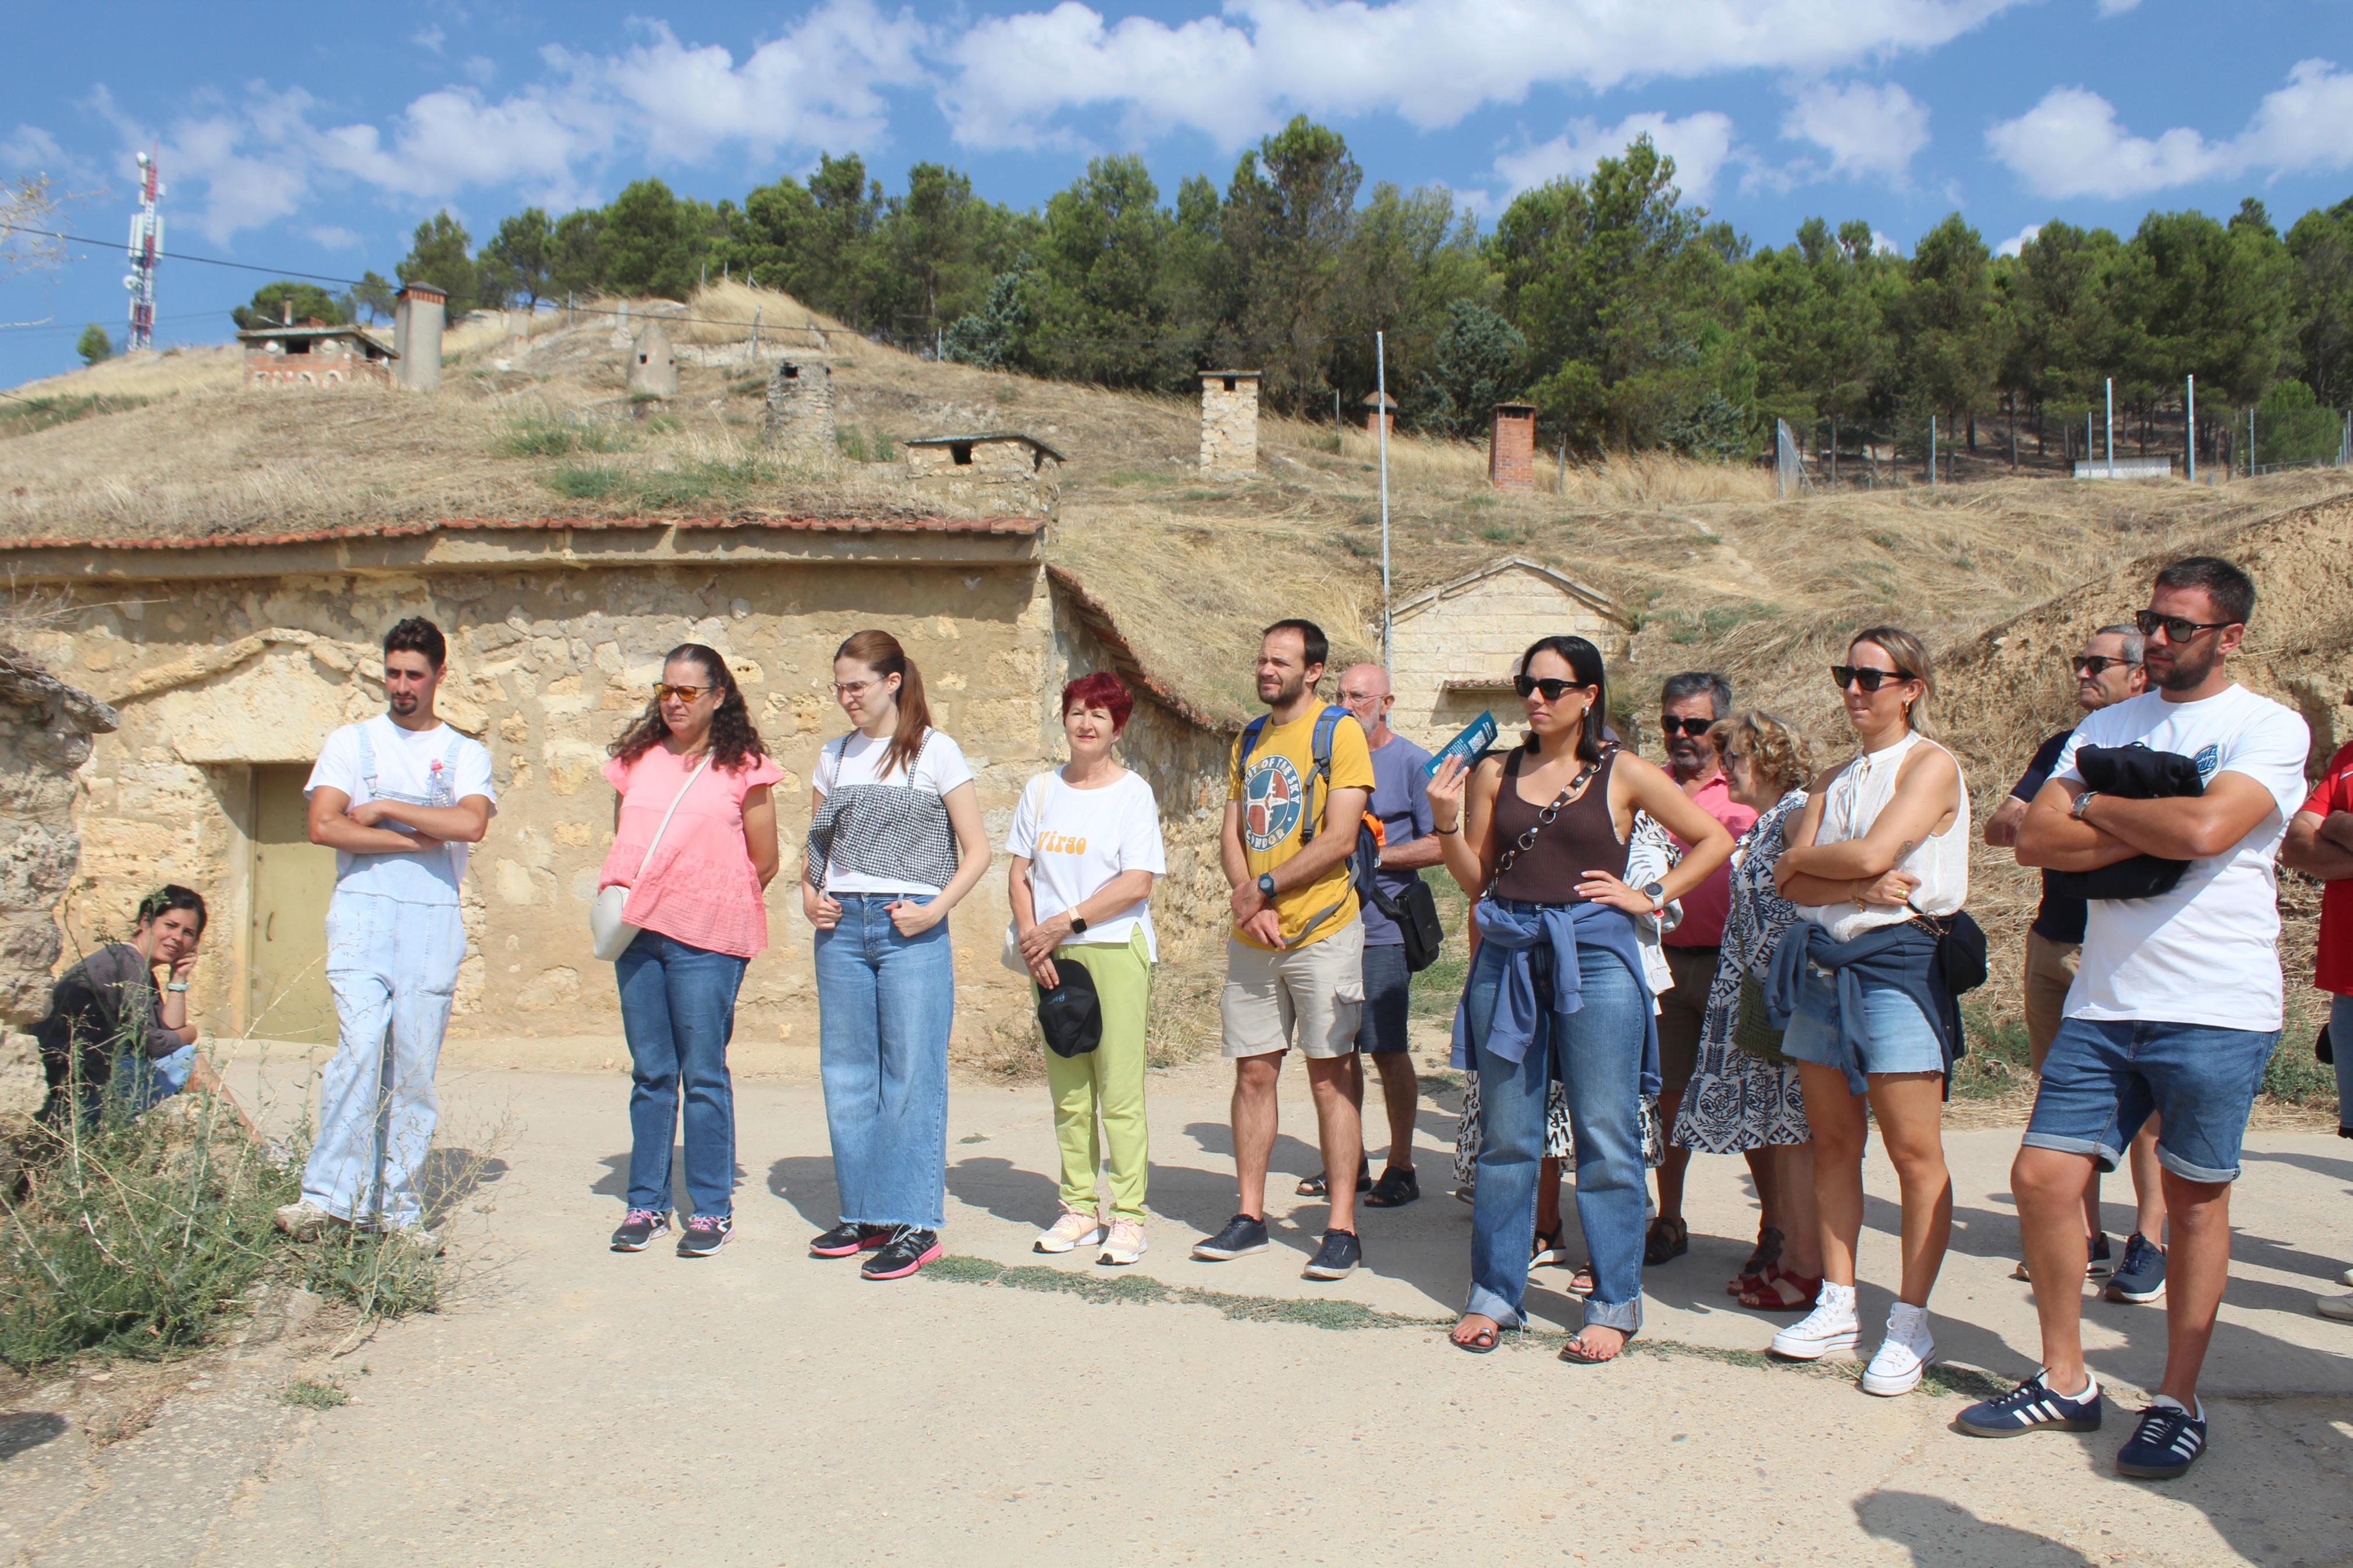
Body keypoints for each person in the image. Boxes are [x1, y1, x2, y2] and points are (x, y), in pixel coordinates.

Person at [1966, 557, 2312, 1480]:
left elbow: (2207, 834)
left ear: (2228, 636)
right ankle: (2066, 1378)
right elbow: (2034, 839)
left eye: (2179, 627)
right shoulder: (2102, 722)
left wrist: (2102, 802)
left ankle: (2174, 1397)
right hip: (2104, 1000)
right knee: (2041, 1178)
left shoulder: (2266, 726)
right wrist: (2159, 811)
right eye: (2149, 620)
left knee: (2194, 1205)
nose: (2156, 639)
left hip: (2214, 1005)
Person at [1428, 635, 1733, 1363]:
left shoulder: (1621, 771)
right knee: (1508, 1138)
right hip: (1508, 959)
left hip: (1595, 960)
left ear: (1588, 696)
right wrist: (1443, 821)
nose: (1535, 698)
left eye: (1552, 687)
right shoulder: (1494, 771)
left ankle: (1613, 1300)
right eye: (1526, 684)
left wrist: (1648, 894)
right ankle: (1495, 1293)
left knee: (1605, 1135)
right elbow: (1478, 883)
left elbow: (1712, 840)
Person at [1765, 627, 1969, 1399]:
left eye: (1870, 676)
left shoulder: (1930, 765)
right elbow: (1793, 881)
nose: (1853, 688)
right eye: (1844, 673)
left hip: (1897, 965)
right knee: (1832, 1141)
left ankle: (1909, 1319)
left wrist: (1816, 862)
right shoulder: (1832, 775)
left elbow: (1857, 854)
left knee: (1913, 1152)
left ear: (1909, 686)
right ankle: (1839, 1301)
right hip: (1827, 962)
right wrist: (1844, 880)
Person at [275, 618, 495, 1247]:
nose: (401, 686)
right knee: (361, 1046)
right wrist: (417, 835)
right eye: (393, 672)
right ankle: (328, 1196)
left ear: (439, 676)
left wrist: (387, 808)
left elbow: (470, 822)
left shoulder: (463, 752)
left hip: (430, 917)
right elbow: (324, 824)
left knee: (415, 1063)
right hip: (363, 910)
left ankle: (397, 1208)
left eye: (414, 675)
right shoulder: (352, 741)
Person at [1983, 626, 2168, 1302]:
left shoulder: (2154, 749)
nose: (2083, 673)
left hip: (2126, 944)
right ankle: (2084, 1236)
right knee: (2064, 1091)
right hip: (2054, 938)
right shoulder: (2065, 747)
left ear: (2137, 675)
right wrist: (2107, 824)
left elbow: (2167, 839)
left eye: (2098, 663)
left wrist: (2069, 819)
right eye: (2079, 661)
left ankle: (2148, 1240)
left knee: (2144, 1102)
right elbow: (2005, 827)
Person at [804, 630, 992, 1282]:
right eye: (839, 687)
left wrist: (935, 908)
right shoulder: (833, 756)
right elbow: (817, 849)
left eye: (855, 685)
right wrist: (810, 896)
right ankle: (864, 1212)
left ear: (891, 681)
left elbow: (977, 851)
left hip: (909, 925)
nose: (845, 698)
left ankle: (914, 1219)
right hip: (841, 931)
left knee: (911, 1072)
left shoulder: (936, 752)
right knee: (848, 1071)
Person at [1192, 620, 1378, 1282]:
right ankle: (1248, 1215)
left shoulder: (1339, 732)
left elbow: (1340, 836)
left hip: (1322, 928)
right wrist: (1251, 897)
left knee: (1329, 1074)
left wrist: (1267, 886)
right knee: (1253, 1073)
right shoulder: (1249, 736)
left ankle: (1340, 1226)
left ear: (1314, 670)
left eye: (1280, 661)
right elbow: (1232, 829)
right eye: (1261, 659)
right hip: (1256, 934)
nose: (1266, 669)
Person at [600, 645, 782, 1258]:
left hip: (709, 941)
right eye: (665, 691)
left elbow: (766, 859)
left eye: (687, 692)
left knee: (703, 1072)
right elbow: (628, 841)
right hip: (640, 936)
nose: (674, 702)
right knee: (652, 1072)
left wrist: (709, 902)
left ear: (718, 696)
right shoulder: (636, 760)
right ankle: (645, 1202)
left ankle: (709, 1209)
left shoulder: (745, 766)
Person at [1009, 673, 1167, 1267]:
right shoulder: (1040, 790)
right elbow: (1017, 872)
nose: (1085, 722)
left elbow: (1135, 882)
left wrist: (1063, 924)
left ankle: (1128, 1215)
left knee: (1118, 1090)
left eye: (1099, 714)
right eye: (1076, 710)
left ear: (1117, 727)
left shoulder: (1132, 794)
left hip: (1111, 947)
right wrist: (1034, 936)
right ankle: (1078, 1205)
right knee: (1069, 1089)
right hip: (1050, 956)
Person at [1671, 713, 1826, 1311]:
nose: (1724, 765)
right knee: (1780, 1134)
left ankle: (1807, 1267)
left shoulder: (1792, 814)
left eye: (1733, 755)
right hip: (1760, 998)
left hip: (1784, 999)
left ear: (1764, 759)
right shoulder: (1772, 819)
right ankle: (1790, 1256)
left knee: (1796, 1136)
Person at [1320, 661, 1441, 1210]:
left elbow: (1441, 843)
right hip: (1325, 924)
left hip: (1383, 927)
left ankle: (1402, 1164)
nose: (1349, 705)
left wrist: (1368, 855)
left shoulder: (1414, 763)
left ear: (1387, 702)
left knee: (1386, 1049)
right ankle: (1350, 1164)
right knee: (1335, 1051)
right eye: (1341, 695)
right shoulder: (1324, 758)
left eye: (1361, 697)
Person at [1649, 672, 1758, 1268]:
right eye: (1671, 723)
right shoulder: (1645, 786)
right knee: (1666, 1098)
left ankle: (1775, 1231)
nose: (1681, 736)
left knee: (1748, 1100)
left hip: (1730, 965)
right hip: (1665, 967)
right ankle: (1668, 1218)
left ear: (1721, 726)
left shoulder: (1744, 787)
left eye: (1695, 725)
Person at [2281, 695, 2353, 1323]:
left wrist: (2339, 826)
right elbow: (2297, 843)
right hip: (2347, 981)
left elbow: (2323, 830)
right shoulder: (2347, 762)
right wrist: (2326, 826)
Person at [34, 886, 217, 1128]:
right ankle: (255, 1147)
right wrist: (191, 1032)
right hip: (76, 1098)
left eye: (188, 933)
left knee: (183, 1059)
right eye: (170, 926)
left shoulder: (137, 967)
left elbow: (165, 1032)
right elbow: (156, 1045)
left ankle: (248, 1146)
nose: (178, 937)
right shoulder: (126, 960)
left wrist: (179, 979)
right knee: (190, 1061)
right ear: (146, 921)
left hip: (88, 1088)